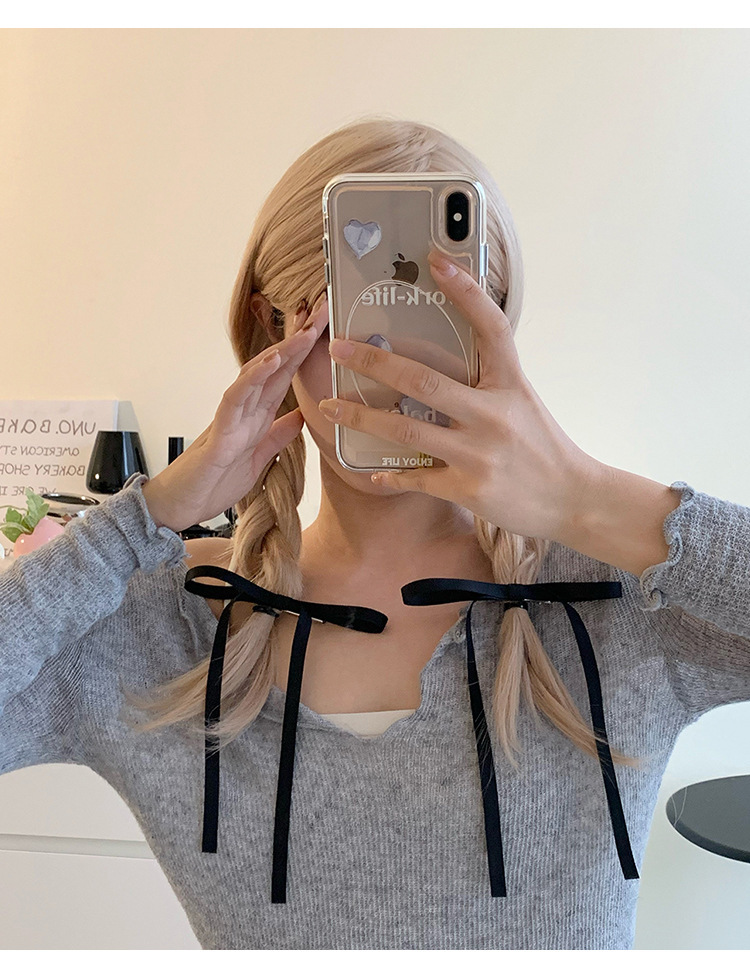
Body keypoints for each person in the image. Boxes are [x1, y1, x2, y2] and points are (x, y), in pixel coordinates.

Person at [2, 115, 750, 950]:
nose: (398, 365)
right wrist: (140, 523)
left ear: (495, 334)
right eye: (354, 317)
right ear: (271, 329)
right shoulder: (163, 626)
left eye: (440, 321)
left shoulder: (615, 604)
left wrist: (585, 497)